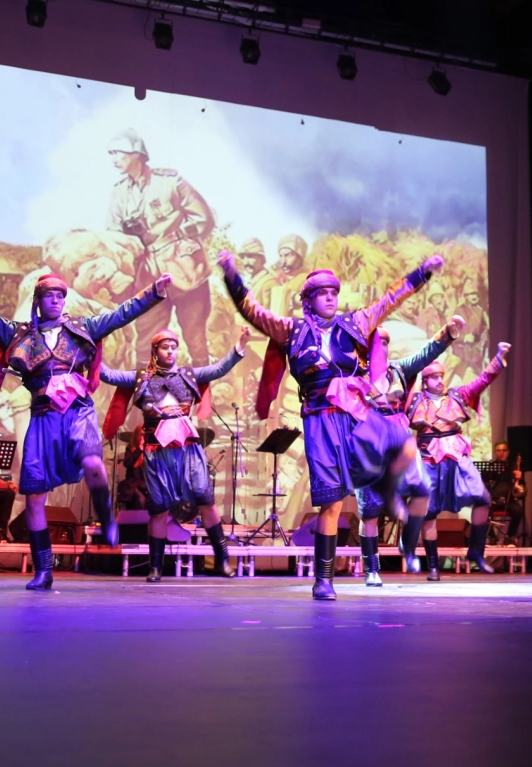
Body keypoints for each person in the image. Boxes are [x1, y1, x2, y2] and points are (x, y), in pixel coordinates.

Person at [219, 248, 443, 600]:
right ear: (308, 299)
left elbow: (391, 299)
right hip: (320, 419)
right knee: (331, 502)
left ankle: (399, 506)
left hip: (356, 416)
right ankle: (323, 580)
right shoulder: (291, 330)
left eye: (334, 293)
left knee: (401, 447)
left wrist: (423, 272)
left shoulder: (354, 323)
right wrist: (232, 276)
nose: (330, 298)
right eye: (322, 293)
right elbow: (253, 311)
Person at [0, 269, 170, 591]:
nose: (55, 301)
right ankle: (43, 570)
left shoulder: (83, 327)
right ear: (38, 300)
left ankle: (106, 517)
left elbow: (121, 314)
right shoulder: (20, 333)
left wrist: (154, 291)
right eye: (49, 296)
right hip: (43, 417)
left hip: (77, 411)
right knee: (34, 497)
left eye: (60, 296)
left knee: (93, 463)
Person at [99, 327, 250, 581]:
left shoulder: (188, 375)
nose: (170, 351)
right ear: (155, 351)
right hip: (157, 452)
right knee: (159, 509)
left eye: (173, 347)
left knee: (206, 500)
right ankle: (155, 568)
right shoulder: (141, 378)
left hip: (187, 449)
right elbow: (108, 375)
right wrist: (91, 350)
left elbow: (218, 369)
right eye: (165, 347)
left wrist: (240, 346)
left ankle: (222, 560)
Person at [353, 316, 463, 586]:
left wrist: (447, 333)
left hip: (398, 443)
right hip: (369, 446)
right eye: (378, 341)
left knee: (422, 491)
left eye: (386, 342)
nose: (383, 346)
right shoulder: (355, 375)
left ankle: (408, 540)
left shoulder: (398, 370)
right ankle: (371, 570)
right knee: (370, 513)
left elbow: (426, 354)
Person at [105, 129, 215, 365]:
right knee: (146, 341)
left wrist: (177, 236)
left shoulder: (170, 182)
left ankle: (203, 386)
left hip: (185, 270)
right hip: (148, 275)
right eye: (111, 153)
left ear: (136, 153)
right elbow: (114, 235)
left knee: (195, 337)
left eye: (118, 152)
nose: (113, 159)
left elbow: (204, 219)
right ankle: (144, 387)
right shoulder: (119, 193)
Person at [409, 343, 511, 580]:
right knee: (428, 514)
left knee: (483, 498)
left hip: (457, 458)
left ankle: (476, 552)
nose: (439, 381)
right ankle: (433, 566)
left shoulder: (456, 396)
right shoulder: (416, 402)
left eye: (441, 376)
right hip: (429, 461)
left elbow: (483, 380)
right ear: (425, 381)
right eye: (434, 377)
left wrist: (499, 357)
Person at [485, 441, 525, 549]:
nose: (501, 453)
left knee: (518, 510)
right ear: (495, 452)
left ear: (508, 452)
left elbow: (522, 487)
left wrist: (520, 478)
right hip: (494, 500)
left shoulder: (514, 467)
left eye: (504, 450)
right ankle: (492, 538)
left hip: (509, 500)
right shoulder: (490, 467)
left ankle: (510, 537)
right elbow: (483, 484)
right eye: (499, 450)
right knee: (482, 510)